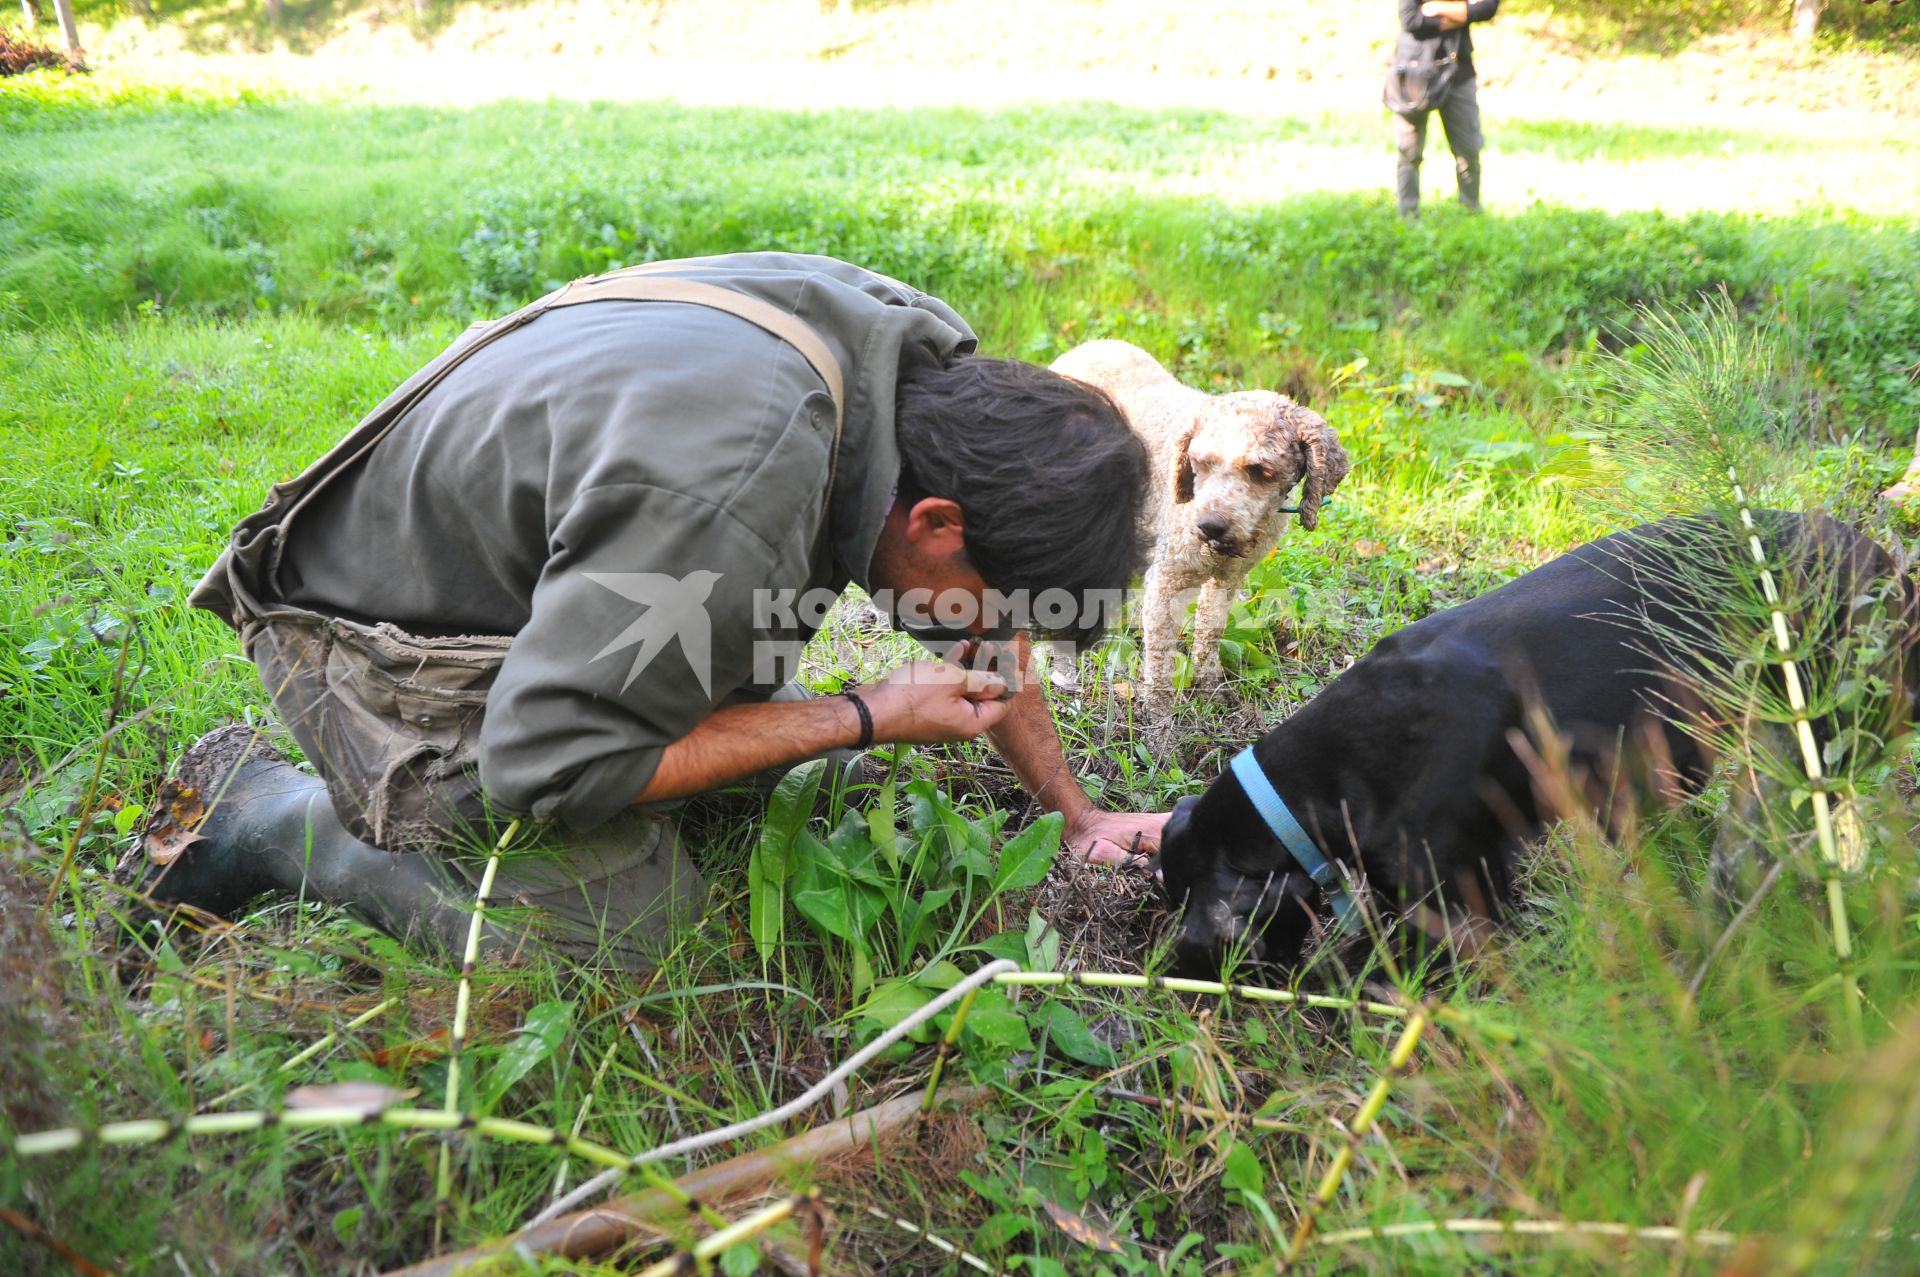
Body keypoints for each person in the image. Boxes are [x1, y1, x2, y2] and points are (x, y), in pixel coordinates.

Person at [133, 252, 1169, 971]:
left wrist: (1071, 816)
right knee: (632, 938)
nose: (989, 635)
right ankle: (268, 815)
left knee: (814, 783)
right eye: (989, 608)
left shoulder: (914, 365)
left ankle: (690, 735)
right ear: (937, 521)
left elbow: (988, 616)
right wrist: (866, 710)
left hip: (581, 565)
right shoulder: (734, 497)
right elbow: (548, 765)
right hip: (382, 635)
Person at [1387, 0, 1498, 218]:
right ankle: (1408, 216)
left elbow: (1486, 8)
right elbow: (1411, 19)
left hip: (1459, 71)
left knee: (1468, 151)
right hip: (1414, 72)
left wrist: (1437, 7)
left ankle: (1470, 213)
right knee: (1409, 152)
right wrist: (1462, 14)